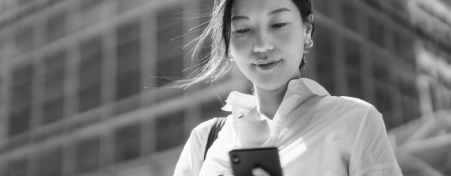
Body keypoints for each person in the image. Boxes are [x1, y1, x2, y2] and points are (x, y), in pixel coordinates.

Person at [173, 0, 403, 175]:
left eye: (278, 24)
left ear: (307, 30)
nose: (262, 45)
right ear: (227, 41)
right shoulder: (205, 140)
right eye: (242, 30)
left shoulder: (356, 120)